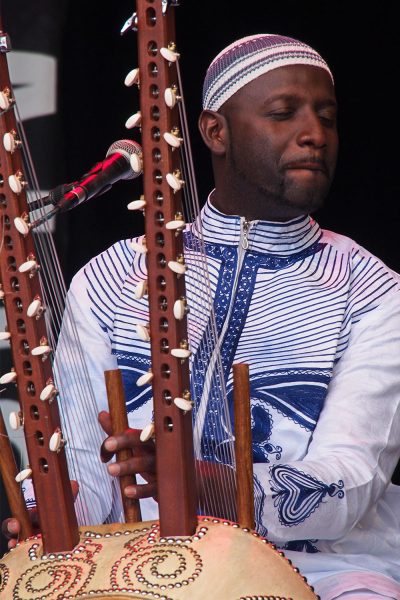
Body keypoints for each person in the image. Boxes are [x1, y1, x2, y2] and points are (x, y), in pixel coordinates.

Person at [3, 33, 400, 599]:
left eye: (327, 117)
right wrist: (54, 516)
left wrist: (204, 484)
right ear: (216, 132)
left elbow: (349, 479)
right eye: (284, 113)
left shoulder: (371, 291)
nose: (314, 134)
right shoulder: (111, 279)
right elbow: (91, 476)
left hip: (324, 570)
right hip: (137, 563)